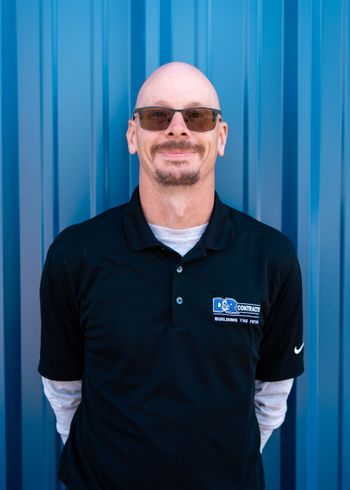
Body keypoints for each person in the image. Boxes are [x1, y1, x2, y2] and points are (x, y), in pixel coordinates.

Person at [39, 62, 304, 490]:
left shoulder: (270, 256)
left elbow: (272, 392)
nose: (177, 129)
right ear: (132, 135)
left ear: (220, 137)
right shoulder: (76, 254)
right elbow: (63, 386)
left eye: (197, 116)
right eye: (157, 116)